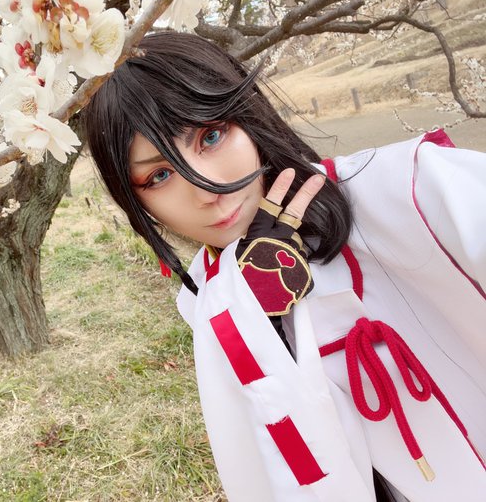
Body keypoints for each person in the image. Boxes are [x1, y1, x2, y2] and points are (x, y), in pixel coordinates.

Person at [82, 31, 486, 502]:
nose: (206, 189)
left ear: (248, 116)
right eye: (160, 175)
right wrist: (259, 320)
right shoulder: (208, 298)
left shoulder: (408, 189)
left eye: (210, 136)